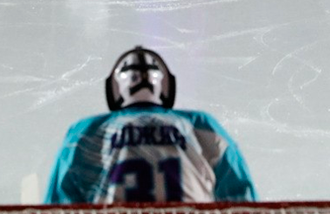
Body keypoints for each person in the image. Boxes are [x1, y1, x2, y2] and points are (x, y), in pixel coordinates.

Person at [44, 45, 256, 203]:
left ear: (115, 89)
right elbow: (240, 195)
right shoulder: (200, 125)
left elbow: (60, 202)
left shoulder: (86, 132)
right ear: (165, 86)